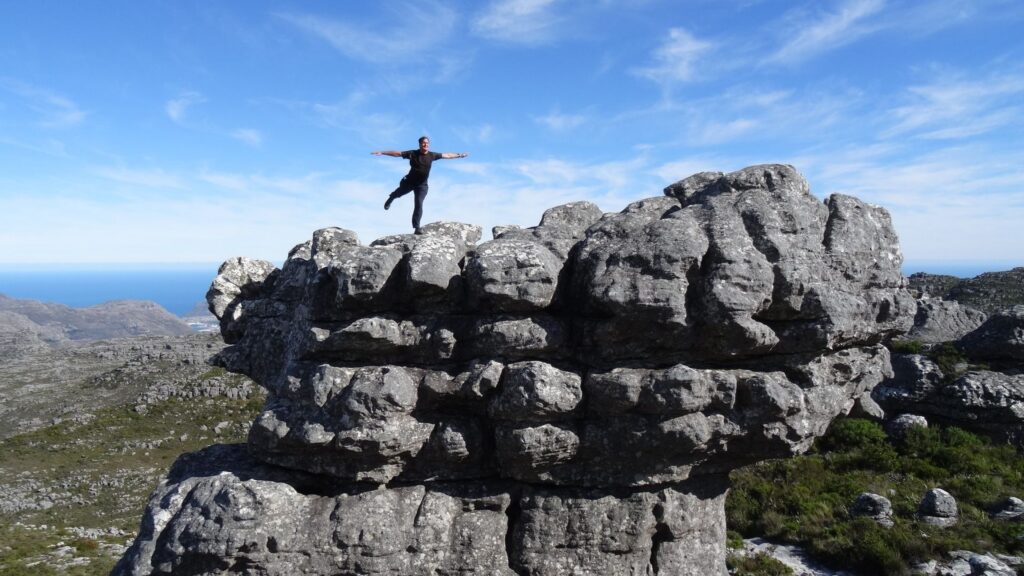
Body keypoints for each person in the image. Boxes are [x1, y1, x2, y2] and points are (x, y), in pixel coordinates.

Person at [371, 136, 469, 234]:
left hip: (422, 185)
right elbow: (397, 153)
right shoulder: (413, 153)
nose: (426, 144)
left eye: (427, 143)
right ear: (420, 144)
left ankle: (416, 227)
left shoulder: (432, 155)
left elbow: (447, 155)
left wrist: (459, 155)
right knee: (398, 193)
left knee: (419, 203)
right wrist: (383, 152)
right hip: (409, 182)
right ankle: (391, 198)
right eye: (423, 143)